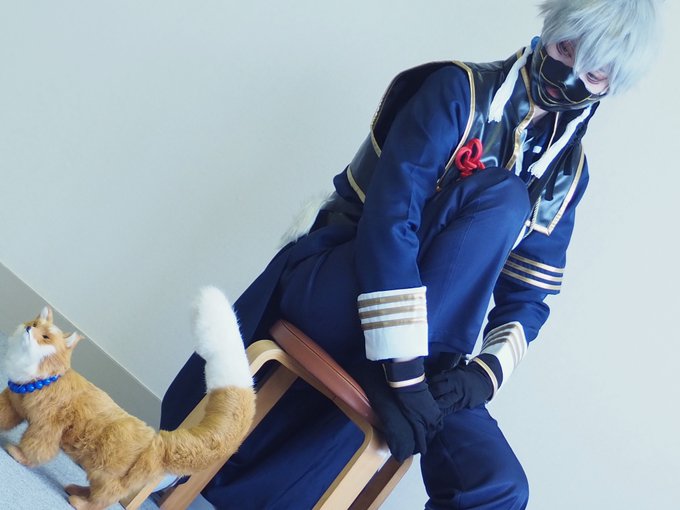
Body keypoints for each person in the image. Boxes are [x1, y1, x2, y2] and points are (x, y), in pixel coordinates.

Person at [160, 1, 659, 508]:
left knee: (498, 486)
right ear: (550, 32)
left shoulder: (568, 176)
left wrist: (479, 377)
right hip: (338, 287)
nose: (570, 76)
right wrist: (403, 370)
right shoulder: (457, 91)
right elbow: (389, 219)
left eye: (593, 73)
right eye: (566, 50)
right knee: (504, 198)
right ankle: (396, 374)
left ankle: (411, 381)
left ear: (609, 86)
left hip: (428, 352)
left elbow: (528, 299)